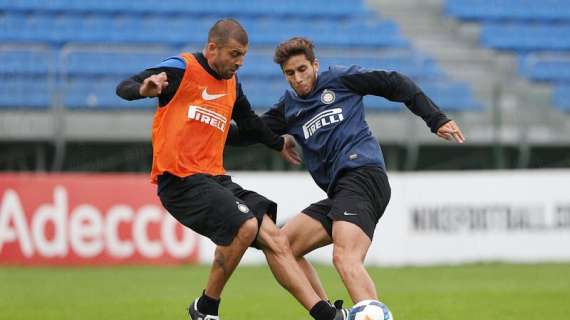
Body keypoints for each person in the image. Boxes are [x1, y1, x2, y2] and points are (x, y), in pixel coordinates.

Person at [116, 21, 347, 320]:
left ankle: (326, 315)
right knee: (246, 225)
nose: (239, 62)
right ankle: (206, 307)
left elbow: (250, 123)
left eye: (244, 56)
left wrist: (277, 143)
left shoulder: (232, 83)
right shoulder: (181, 69)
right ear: (212, 48)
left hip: (215, 179)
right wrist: (142, 89)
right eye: (234, 54)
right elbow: (123, 88)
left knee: (274, 237)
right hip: (179, 180)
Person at [229, 37, 465, 305]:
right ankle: (330, 314)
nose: (297, 78)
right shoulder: (288, 108)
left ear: (315, 65)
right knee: (282, 246)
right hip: (340, 192)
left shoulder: (340, 79)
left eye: (302, 69)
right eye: (289, 73)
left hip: (363, 174)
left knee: (345, 258)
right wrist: (206, 128)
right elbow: (250, 133)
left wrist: (436, 119)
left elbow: (395, 82)